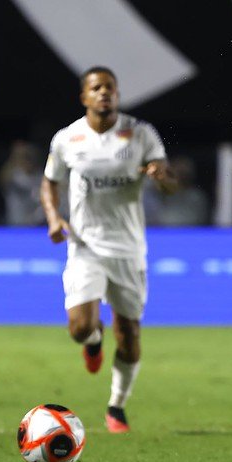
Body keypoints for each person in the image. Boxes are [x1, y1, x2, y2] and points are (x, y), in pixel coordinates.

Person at [39, 66, 177, 433]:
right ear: (84, 97)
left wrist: (161, 178)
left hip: (128, 250)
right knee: (79, 327)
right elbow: (49, 184)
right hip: (85, 245)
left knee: (129, 337)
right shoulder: (67, 139)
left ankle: (116, 406)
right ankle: (93, 339)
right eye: (96, 88)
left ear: (117, 94)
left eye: (110, 88)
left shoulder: (141, 134)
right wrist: (54, 218)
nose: (104, 93)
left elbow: (170, 182)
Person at [0, 141, 46, 225]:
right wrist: (15, 155)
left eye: (31, 158)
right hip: (15, 223)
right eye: (25, 157)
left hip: (37, 225)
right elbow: (2, 179)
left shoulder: (41, 176)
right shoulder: (15, 175)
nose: (28, 161)